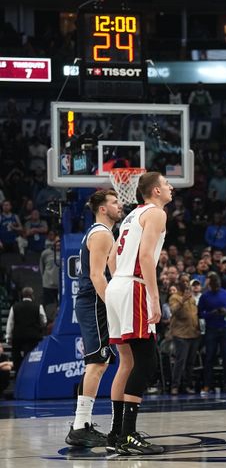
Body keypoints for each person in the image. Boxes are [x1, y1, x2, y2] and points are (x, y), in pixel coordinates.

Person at [106, 171, 173, 455]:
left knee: (127, 362)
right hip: (134, 287)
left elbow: (112, 258)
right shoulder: (156, 214)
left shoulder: (131, 216)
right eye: (167, 184)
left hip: (117, 285)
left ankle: (117, 433)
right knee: (146, 362)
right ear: (156, 191)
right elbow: (146, 257)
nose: (171, 187)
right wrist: (154, 298)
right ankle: (129, 434)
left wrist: (119, 282)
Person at [65, 190, 123, 448]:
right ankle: (80, 426)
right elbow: (98, 277)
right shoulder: (101, 233)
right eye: (114, 202)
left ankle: (82, 424)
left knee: (99, 362)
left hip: (93, 302)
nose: (119, 205)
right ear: (101, 208)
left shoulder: (103, 233)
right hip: (95, 301)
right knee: (97, 363)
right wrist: (114, 306)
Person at [198, 272, 226, 392]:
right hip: (211, 329)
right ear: (210, 284)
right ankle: (208, 384)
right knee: (209, 357)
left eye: (217, 283)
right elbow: (200, 313)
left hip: (225, 328)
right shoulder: (204, 296)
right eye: (213, 283)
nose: (216, 285)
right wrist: (211, 313)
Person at [168, 277, 200, 395]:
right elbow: (173, 310)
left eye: (188, 281)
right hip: (181, 335)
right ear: (179, 284)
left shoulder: (191, 299)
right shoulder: (174, 297)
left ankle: (187, 385)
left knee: (190, 363)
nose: (186, 283)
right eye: (184, 281)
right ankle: (175, 386)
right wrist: (183, 300)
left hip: (193, 334)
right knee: (180, 361)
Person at [5, 287, 46, 372]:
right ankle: (30, 372)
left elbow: (10, 322)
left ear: (22, 295)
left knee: (16, 356)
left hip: (18, 336)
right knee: (32, 356)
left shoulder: (15, 307)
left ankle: (18, 372)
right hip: (33, 336)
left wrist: (8, 336)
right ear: (32, 295)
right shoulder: (38, 306)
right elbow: (44, 320)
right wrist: (38, 327)